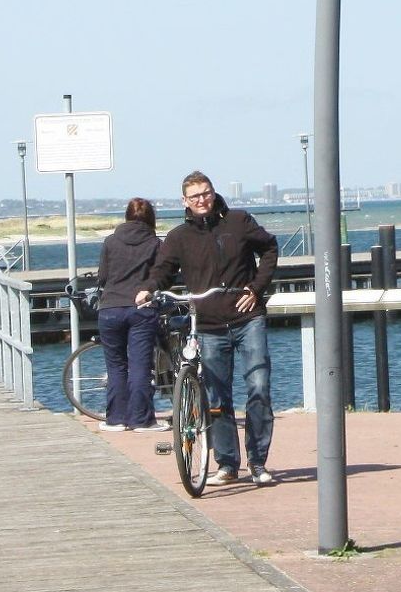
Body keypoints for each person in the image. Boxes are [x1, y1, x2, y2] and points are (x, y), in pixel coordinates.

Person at [141, 171, 280, 486]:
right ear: (185, 201)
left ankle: (258, 462)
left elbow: (270, 249)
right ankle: (228, 464)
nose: (201, 200)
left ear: (213, 193)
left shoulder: (239, 222)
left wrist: (256, 288)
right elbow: (162, 269)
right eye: (194, 196)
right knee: (217, 397)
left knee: (259, 387)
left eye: (205, 193)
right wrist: (148, 288)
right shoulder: (178, 237)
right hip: (209, 323)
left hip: (248, 319)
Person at [94, 199, 165, 431]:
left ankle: (115, 419)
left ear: (126, 217)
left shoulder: (111, 242)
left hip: (110, 307)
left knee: (115, 365)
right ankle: (141, 419)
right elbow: (160, 276)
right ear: (151, 219)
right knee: (140, 365)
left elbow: (103, 277)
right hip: (141, 308)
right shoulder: (155, 243)